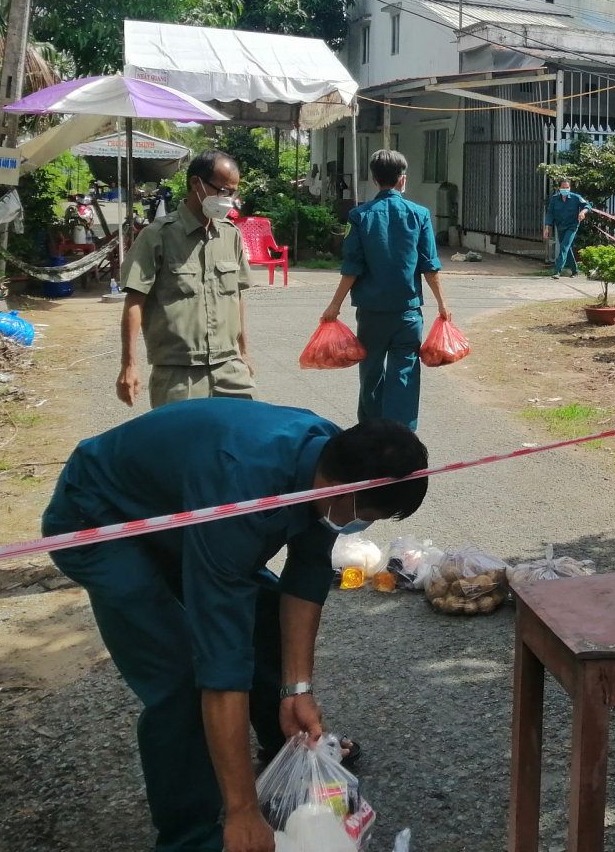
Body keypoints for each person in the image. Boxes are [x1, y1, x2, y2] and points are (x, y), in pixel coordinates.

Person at [41, 399, 428, 852]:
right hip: (102, 520)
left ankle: (284, 747)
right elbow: (222, 657)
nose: (364, 526)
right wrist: (242, 810)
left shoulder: (330, 459)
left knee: (264, 619)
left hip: (179, 510)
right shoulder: (240, 490)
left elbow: (305, 574)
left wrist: (297, 689)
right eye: (370, 517)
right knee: (182, 680)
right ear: (343, 494)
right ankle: (192, 836)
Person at [320, 149, 450, 430]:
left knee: (371, 373)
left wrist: (334, 306)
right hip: (408, 313)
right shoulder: (420, 215)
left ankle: (371, 433)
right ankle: (401, 435)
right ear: (403, 180)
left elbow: (351, 267)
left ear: (374, 179)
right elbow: (430, 266)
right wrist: (442, 305)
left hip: (371, 313)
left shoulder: (359, 216)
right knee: (404, 373)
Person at [117, 149, 255, 410]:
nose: (228, 200)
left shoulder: (230, 235)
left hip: (229, 366)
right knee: (181, 447)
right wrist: (129, 365)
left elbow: (236, 296)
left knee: (246, 440)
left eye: (233, 193)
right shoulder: (158, 236)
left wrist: (244, 352)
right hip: (178, 373)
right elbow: (134, 302)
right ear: (196, 184)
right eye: (222, 191)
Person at [543, 178, 589, 279]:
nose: (565, 189)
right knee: (567, 248)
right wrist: (547, 227)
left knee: (564, 247)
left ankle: (557, 271)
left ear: (570, 188)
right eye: (563, 187)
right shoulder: (555, 199)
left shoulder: (576, 197)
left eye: (567, 187)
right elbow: (550, 213)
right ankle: (575, 271)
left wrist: (582, 212)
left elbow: (587, 206)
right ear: (559, 188)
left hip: (572, 226)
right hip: (560, 226)